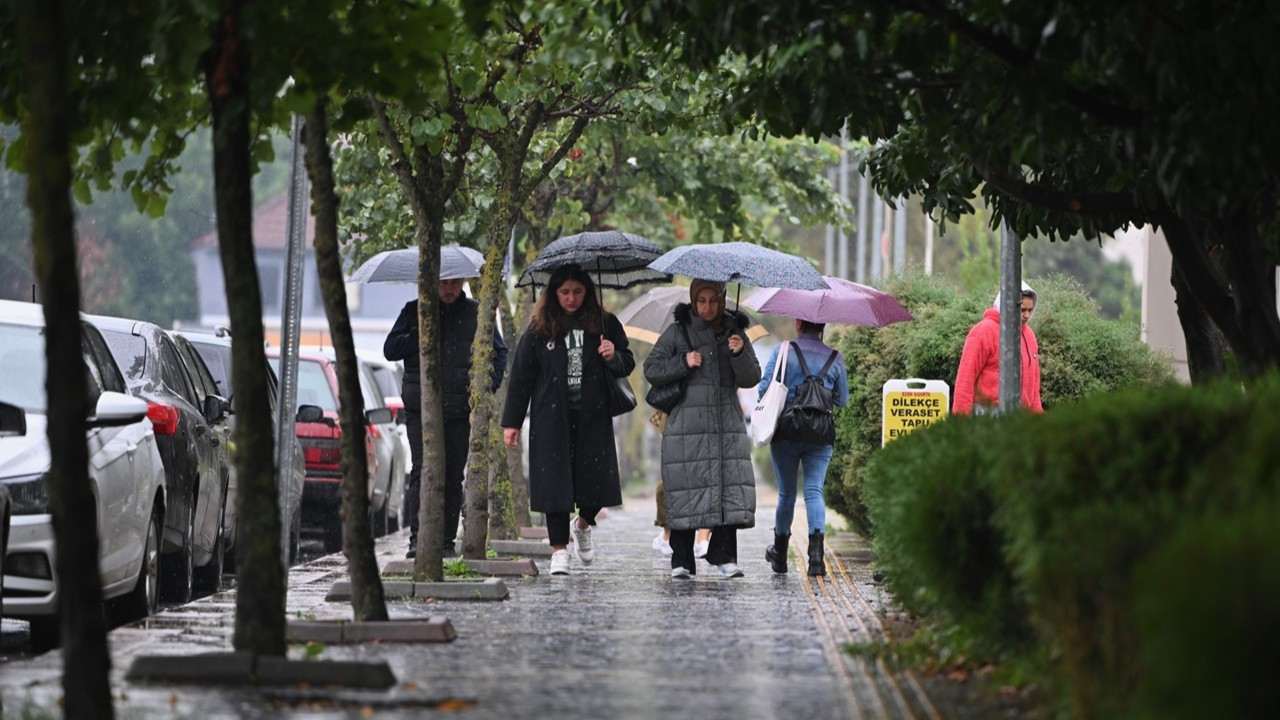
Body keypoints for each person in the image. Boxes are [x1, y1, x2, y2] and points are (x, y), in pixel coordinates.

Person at [501, 264, 635, 576]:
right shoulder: (540, 329)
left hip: (593, 416)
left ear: (587, 292)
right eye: (564, 292)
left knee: (598, 482)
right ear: (553, 294)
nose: (571, 299)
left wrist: (612, 354)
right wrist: (512, 422)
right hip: (551, 419)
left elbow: (626, 362)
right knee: (554, 484)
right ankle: (559, 550)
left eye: (577, 292)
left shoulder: (605, 323)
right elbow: (521, 377)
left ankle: (584, 523)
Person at [644, 279, 761, 579]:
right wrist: (683, 361)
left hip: (726, 425)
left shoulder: (735, 333)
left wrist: (739, 353)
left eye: (713, 300)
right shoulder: (677, 332)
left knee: (728, 489)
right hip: (686, 426)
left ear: (722, 300)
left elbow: (751, 377)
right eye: (701, 301)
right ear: (694, 302)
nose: (707, 307)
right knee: (686, 489)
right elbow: (651, 369)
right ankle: (681, 560)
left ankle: (724, 556)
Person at [384, 277, 508, 559]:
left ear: (463, 282)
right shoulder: (414, 311)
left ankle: (446, 542)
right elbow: (390, 349)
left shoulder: (476, 313)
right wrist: (421, 333)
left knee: (452, 477)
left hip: (459, 409)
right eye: (442, 283)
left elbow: (500, 354)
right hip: (420, 409)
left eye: (454, 283)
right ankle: (418, 540)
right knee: (422, 471)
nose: (449, 289)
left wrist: (486, 389)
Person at [757, 319, 849, 577]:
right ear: (823, 326)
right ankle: (816, 559)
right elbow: (842, 400)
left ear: (799, 323)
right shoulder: (836, 357)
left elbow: (765, 389)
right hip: (820, 435)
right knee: (813, 491)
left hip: (786, 432)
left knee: (786, 494)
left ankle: (780, 555)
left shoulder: (783, 351)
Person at [953, 282, 1043, 415]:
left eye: (1030, 310)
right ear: (1008, 306)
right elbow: (965, 383)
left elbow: (1033, 391)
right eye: (1022, 310)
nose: (1027, 315)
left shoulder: (1029, 336)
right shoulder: (983, 332)